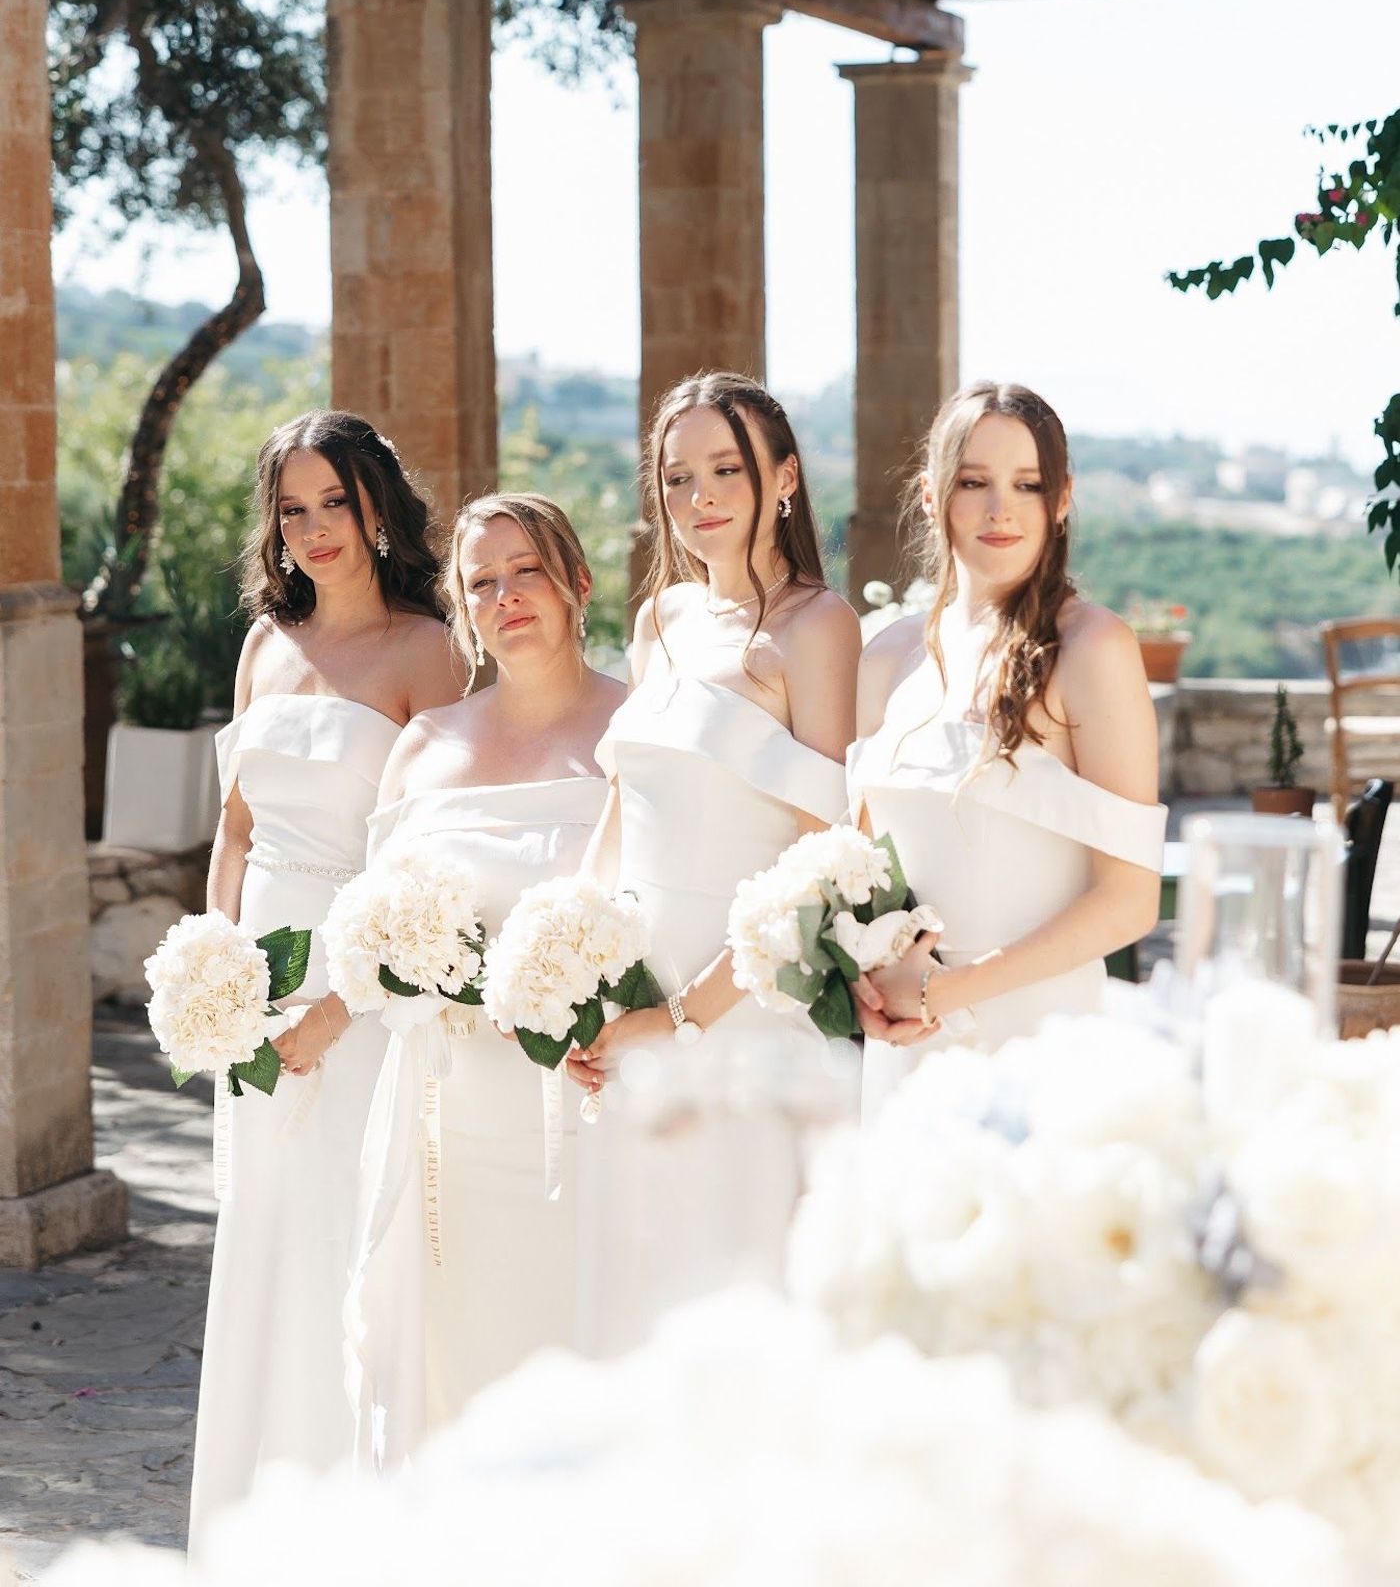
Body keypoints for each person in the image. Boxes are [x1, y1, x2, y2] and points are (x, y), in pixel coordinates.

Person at [188, 410, 458, 1545]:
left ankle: (354, 1535)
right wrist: (212, 970)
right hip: (250, 1003)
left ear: (377, 503)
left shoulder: (427, 652)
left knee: (343, 1246)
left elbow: (433, 867)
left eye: (334, 501)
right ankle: (252, 1526)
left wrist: (337, 1009)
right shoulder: (265, 644)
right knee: (265, 1238)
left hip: (360, 1002)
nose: (314, 529)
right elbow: (236, 829)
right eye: (292, 509)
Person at [565, 371, 860, 1344]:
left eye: (726, 468)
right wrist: (574, 973)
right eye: (678, 475)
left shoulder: (817, 625)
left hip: (741, 1006)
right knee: (634, 1288)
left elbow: (820, 858)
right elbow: (620, 804)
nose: (700, 496)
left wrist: (684, 1016)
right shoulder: (660, 619)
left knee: (736, 1292)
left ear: (785, 477)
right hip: (632, 995)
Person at [345, 493, 615, 1468]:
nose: (507, 595)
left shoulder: (634, 732)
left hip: (585, 1105)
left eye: (527, 569)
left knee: (578, 1360)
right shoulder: (424, 745)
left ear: (578, 580)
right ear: (462, 610)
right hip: (444, 1120)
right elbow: (370, 919)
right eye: (481, 582)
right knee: (453, 1366)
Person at [851, 380, 1165, 1115]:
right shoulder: (886, 657)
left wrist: (947, 991)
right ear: (931, 495)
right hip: (901, 1042)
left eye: (1028, 484)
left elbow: (1130, 900)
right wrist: (863, 977)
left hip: (1037, 1043)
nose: (1001, 509)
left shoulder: (1093, 648)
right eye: (974, 483)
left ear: (1061, 499)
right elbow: (862, 867)